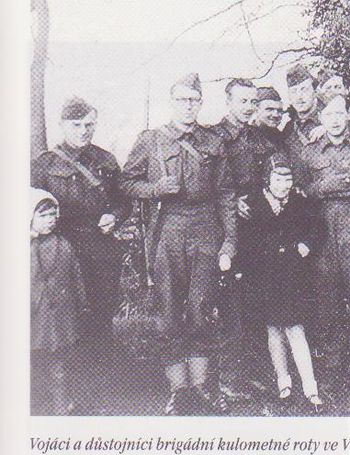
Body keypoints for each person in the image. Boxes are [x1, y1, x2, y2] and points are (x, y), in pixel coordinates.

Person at [120, 73, 236, 416]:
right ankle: (178, 390)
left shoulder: (213, 142)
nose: (188, 106)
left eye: (194, 100)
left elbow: (226, 194)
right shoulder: (152, 140)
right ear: (171, 103)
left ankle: (201, 388)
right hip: (167, 228)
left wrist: (228, 241)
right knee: (168, 311)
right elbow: (127, 182)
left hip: (205, 228)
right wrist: (155, 188)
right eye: (182, 100)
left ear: (200, 103)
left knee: (202, 306)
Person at [301, 93, 350, 391]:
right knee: (326, 295)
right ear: (321, 118)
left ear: (347, 115)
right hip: (321, 224)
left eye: (339, 113)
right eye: (328, 114)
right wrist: (322, 186)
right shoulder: (309, 151)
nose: (334, 119)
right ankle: (332, 364)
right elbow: (298, 187)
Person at [235, 153, 324, 412]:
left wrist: (307, 244)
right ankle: (283, 382)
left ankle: (310, 388)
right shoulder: (251, 204)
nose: (284, 184)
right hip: (264, 275)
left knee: (295, 328)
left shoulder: (299, 202)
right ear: (267, 179)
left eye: (288, 178)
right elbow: (245, 241)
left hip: (292, 274)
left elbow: (317, 228)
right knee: (273, 329)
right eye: (278, 178)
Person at [31, 97, 127, 338]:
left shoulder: (106, 160)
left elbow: (124, 200)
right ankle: (69, 371)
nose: (84, 131)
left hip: (100, 244)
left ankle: (102, 368)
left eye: (89, 125)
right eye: (76, 125)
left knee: (102, 311)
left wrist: (114, 216)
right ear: (62, 125)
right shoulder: (45, 163)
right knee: (65, 312)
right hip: (61, 246)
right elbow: (27, 205)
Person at [209, 78, 268, 401]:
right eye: (243, 101)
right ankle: (229, 379)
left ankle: (252, 375)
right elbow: (213, 186)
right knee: (230, 306)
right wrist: (233, 205)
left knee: (255, 302)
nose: (248, 107)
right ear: (228, 101)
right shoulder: (215, 137)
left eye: (252, 102)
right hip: (227, 230)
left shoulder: (259, 137)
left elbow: (274, 173)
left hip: (258, 229)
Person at [30, 188, 87, 415]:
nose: (50, 220)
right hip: (32, 314)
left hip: (57, 315)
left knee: (58, 362)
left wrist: (82, 303)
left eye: (53, 214)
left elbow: (76, 275)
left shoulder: (63, 244)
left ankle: (61, 405)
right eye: (43, 215)